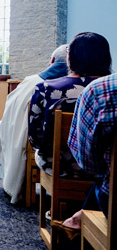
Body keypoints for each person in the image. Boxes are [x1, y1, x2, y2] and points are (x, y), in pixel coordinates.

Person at [0, 45, 68, 204]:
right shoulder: (92, 86)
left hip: (44, 148)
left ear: (52, 61)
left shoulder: (33, 83)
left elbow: (12, 114)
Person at [29, 32, 111, 176]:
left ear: (70, 57)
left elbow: (36, 139)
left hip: (59, 165)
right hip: (106, 168)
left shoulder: (46, 89)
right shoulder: (111, 90)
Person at [54, 73, 117, 234]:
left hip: (112, 200)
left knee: (104, 180)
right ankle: (77, 220)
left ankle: (76, 224)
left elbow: (88, 163)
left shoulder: (101, 90)